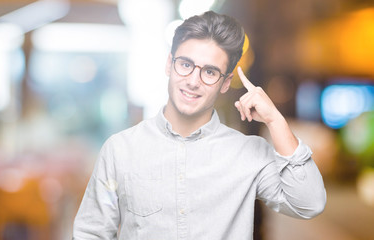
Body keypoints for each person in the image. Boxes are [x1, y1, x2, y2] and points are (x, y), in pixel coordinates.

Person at [73, 10, 326, 240]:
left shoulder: (249, 153)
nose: (193, 81)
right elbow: (90, 233)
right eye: (185, 65)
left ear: (225, 83)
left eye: (209, 72)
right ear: (169, 64)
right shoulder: (120, 150)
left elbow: (309, 203)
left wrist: (275, 120)